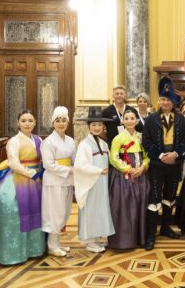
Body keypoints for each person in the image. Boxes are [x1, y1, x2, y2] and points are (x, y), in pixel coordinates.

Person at [0, 110, 45, 265]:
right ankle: (12, 253)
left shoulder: (38, 139)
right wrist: (31, 174)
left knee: (36, 212)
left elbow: (43, 159)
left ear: (35, 122)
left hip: (36, 182)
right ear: (18, 123)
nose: (27, 123)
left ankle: (33, 249)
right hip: (17, 180)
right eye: (23, 120)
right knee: (13, 211)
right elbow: (13, 163)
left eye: (30, 120)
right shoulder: (14, 141)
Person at [143, 76, 185, 250]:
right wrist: (161, 155)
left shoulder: (181, 120)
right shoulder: (150, 119)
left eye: (168, 100)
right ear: (159, 101)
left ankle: (166, 228)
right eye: (163, 99)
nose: (165, 102)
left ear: (173, 102)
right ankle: (150, 234)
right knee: (154, 198)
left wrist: (175, 154)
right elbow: (146, 141)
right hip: (157, 165)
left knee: (170, 197)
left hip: (174, 164)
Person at [73, 107, 115, 253]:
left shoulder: (103, 143)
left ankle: (97, 237)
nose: (97, 128)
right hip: (90, 182)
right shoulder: (84, 144)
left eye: (99, 125)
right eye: (93, 125)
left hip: (102, 182)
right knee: (90, 208)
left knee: (100, 208)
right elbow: (80, 165)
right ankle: (89, 241)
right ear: (88, 126)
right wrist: (98, 171)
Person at [108, 109, 150, 249]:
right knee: (125, 206)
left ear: (137, 121)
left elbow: (147, 156)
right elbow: (113, 158)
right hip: (124, 177)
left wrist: (143, 167)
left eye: (133, 118)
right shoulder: (118, 138)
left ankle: (140, 238)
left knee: (140, 205)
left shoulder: (142, 137)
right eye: (127, 118)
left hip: (140, 175)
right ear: (122, 121)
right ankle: (124, 240)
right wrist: (128, 169)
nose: (130, 121)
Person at [41, 106, 76, 257]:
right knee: (54, 213)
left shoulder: (70, 140)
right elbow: (48, 164)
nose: (61, 124)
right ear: (53, 123)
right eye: (58, 121)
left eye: (63, 120)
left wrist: (76, 169)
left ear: (68, 122)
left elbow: (74, 160)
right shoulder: (48, 142)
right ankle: (52, 246)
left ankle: (57, 243)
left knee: (64, 212)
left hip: (67, 180)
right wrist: (68, 170)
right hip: (53, 181)